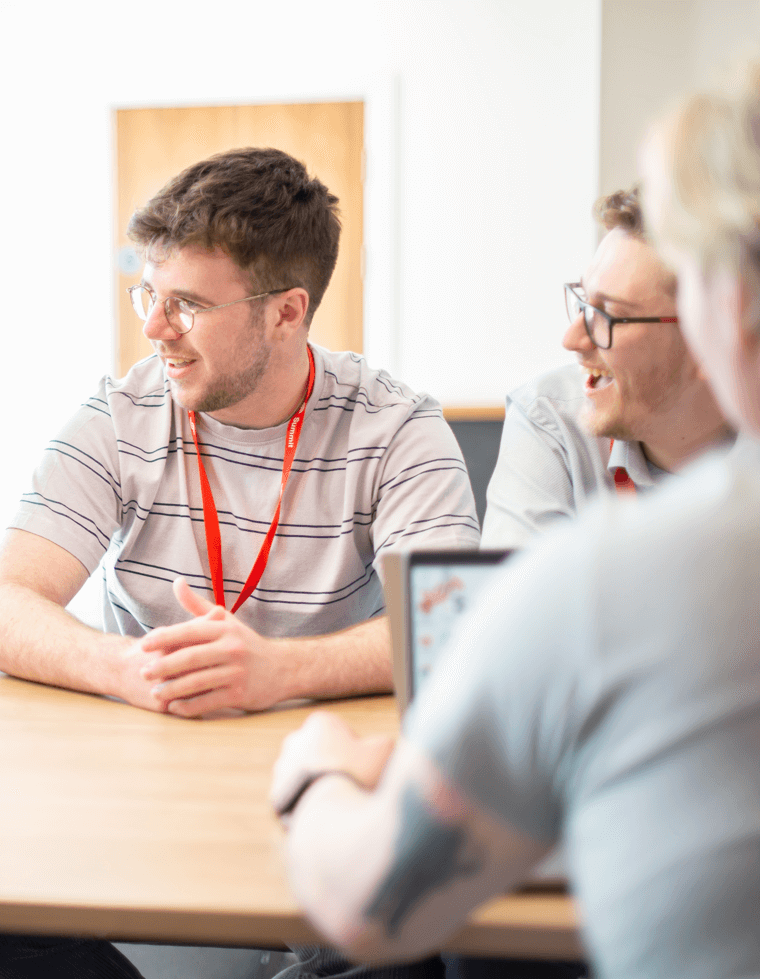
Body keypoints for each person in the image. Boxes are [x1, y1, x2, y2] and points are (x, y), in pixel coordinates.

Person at [271, 60, 760, 979]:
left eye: (610, 317)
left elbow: (368, 898)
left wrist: (318, 768)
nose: (576, 339)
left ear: (721, 314)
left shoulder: (618, 582)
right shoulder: (565, 440)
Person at [0, 148, 479, 979]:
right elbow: (0, 605)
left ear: (286, 311)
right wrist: (127, 666)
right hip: (147, 763)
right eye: (148, 295)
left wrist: (274, 670)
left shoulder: (396, 427)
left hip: (319, 764)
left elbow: (449, 630)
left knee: (397, 947)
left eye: (185, 304)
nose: (154, 328)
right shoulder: (119, 413)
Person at [480, 188, 732, 548]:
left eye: (608, 315)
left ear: (707, 341)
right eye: (583, 303)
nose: (572, 339)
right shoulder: (551, 419)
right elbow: (507, 598)